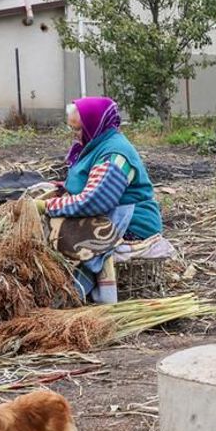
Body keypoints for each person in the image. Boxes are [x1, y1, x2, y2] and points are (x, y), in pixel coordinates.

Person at [36, 97, 166, 303]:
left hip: (132, 223)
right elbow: (87, 183)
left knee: (63, 231)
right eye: (73, 129)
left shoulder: (115, 154)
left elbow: (94, 200)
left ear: (94, 125)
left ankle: (72, 292)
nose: (76, 135)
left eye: (78, 129)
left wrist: (47, 206)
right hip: (109, 212)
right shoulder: (98, 144)